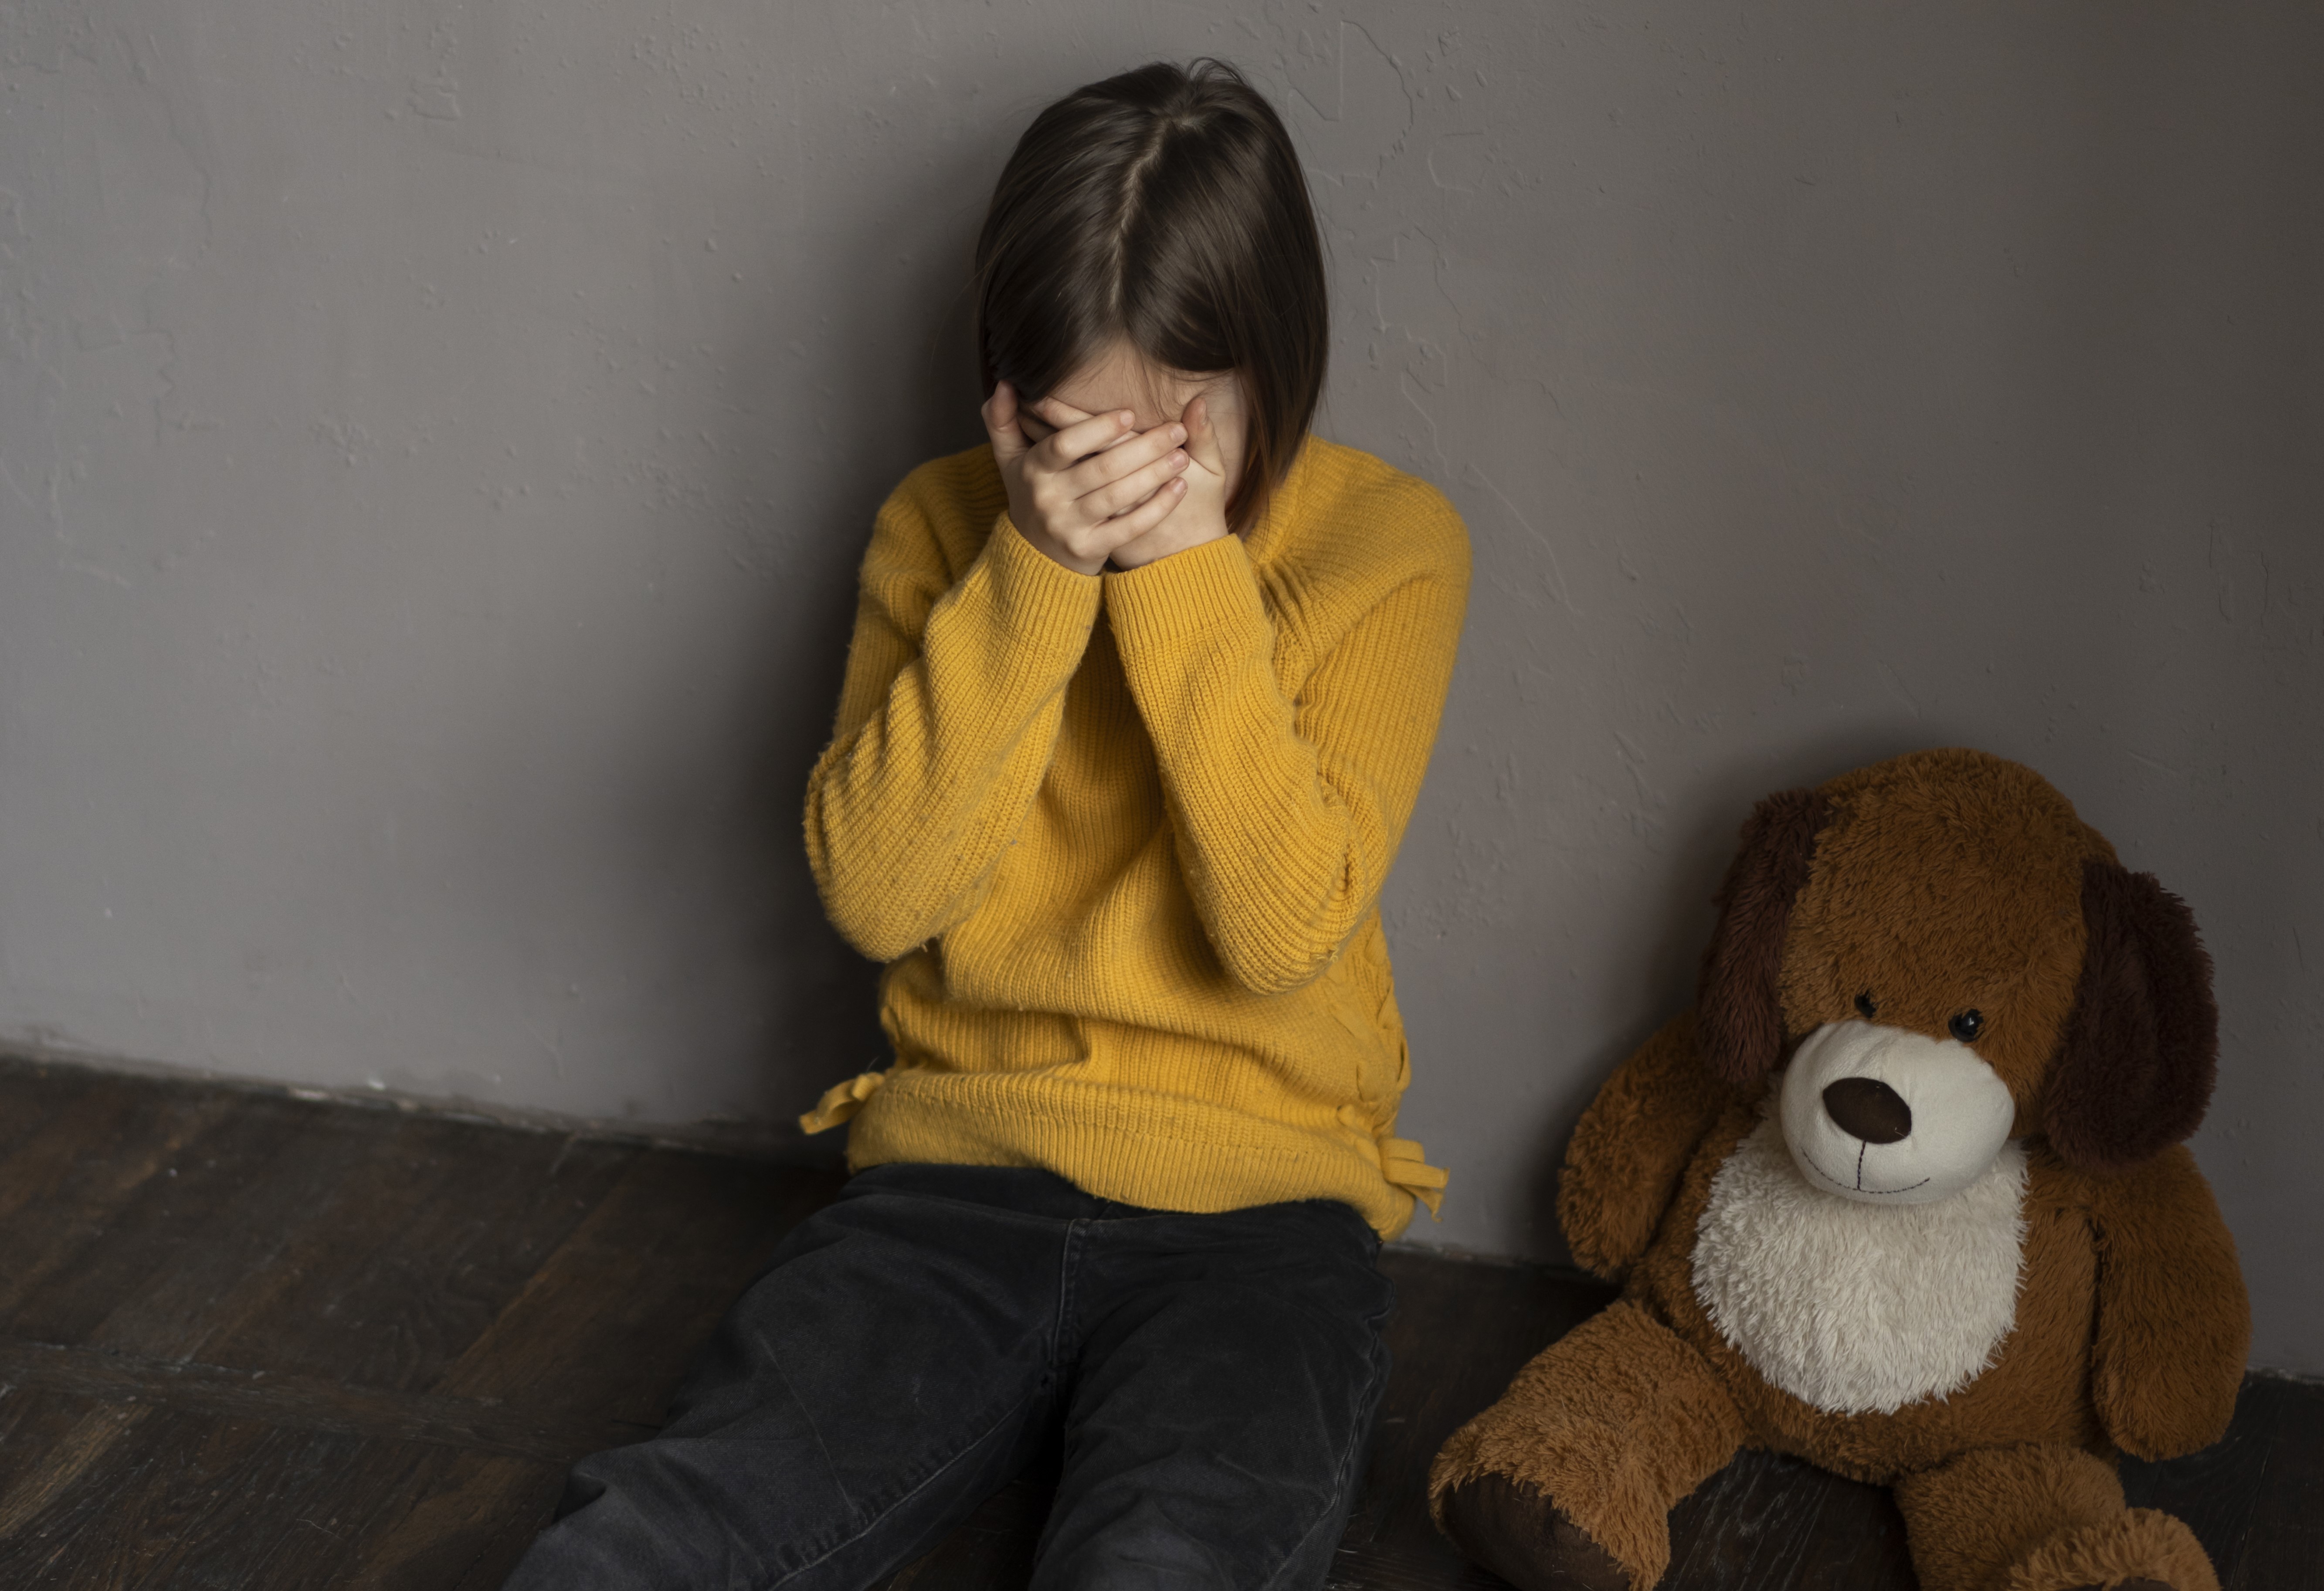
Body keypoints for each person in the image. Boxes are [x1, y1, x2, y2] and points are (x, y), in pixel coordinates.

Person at [503, 58, 1470, 1591]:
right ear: (1010, 402)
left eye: (1174, 434)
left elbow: (1282, 927)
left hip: (1262, 1206)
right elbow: (879, 893)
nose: (1123, 484)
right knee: (669, 1525)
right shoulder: (943, 524)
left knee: (1170, 1561)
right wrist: (1035, 570)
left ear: (1276, 370)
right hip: (956, 1178)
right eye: (1079, 437)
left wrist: (1186, 578)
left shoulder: (1389, 547)